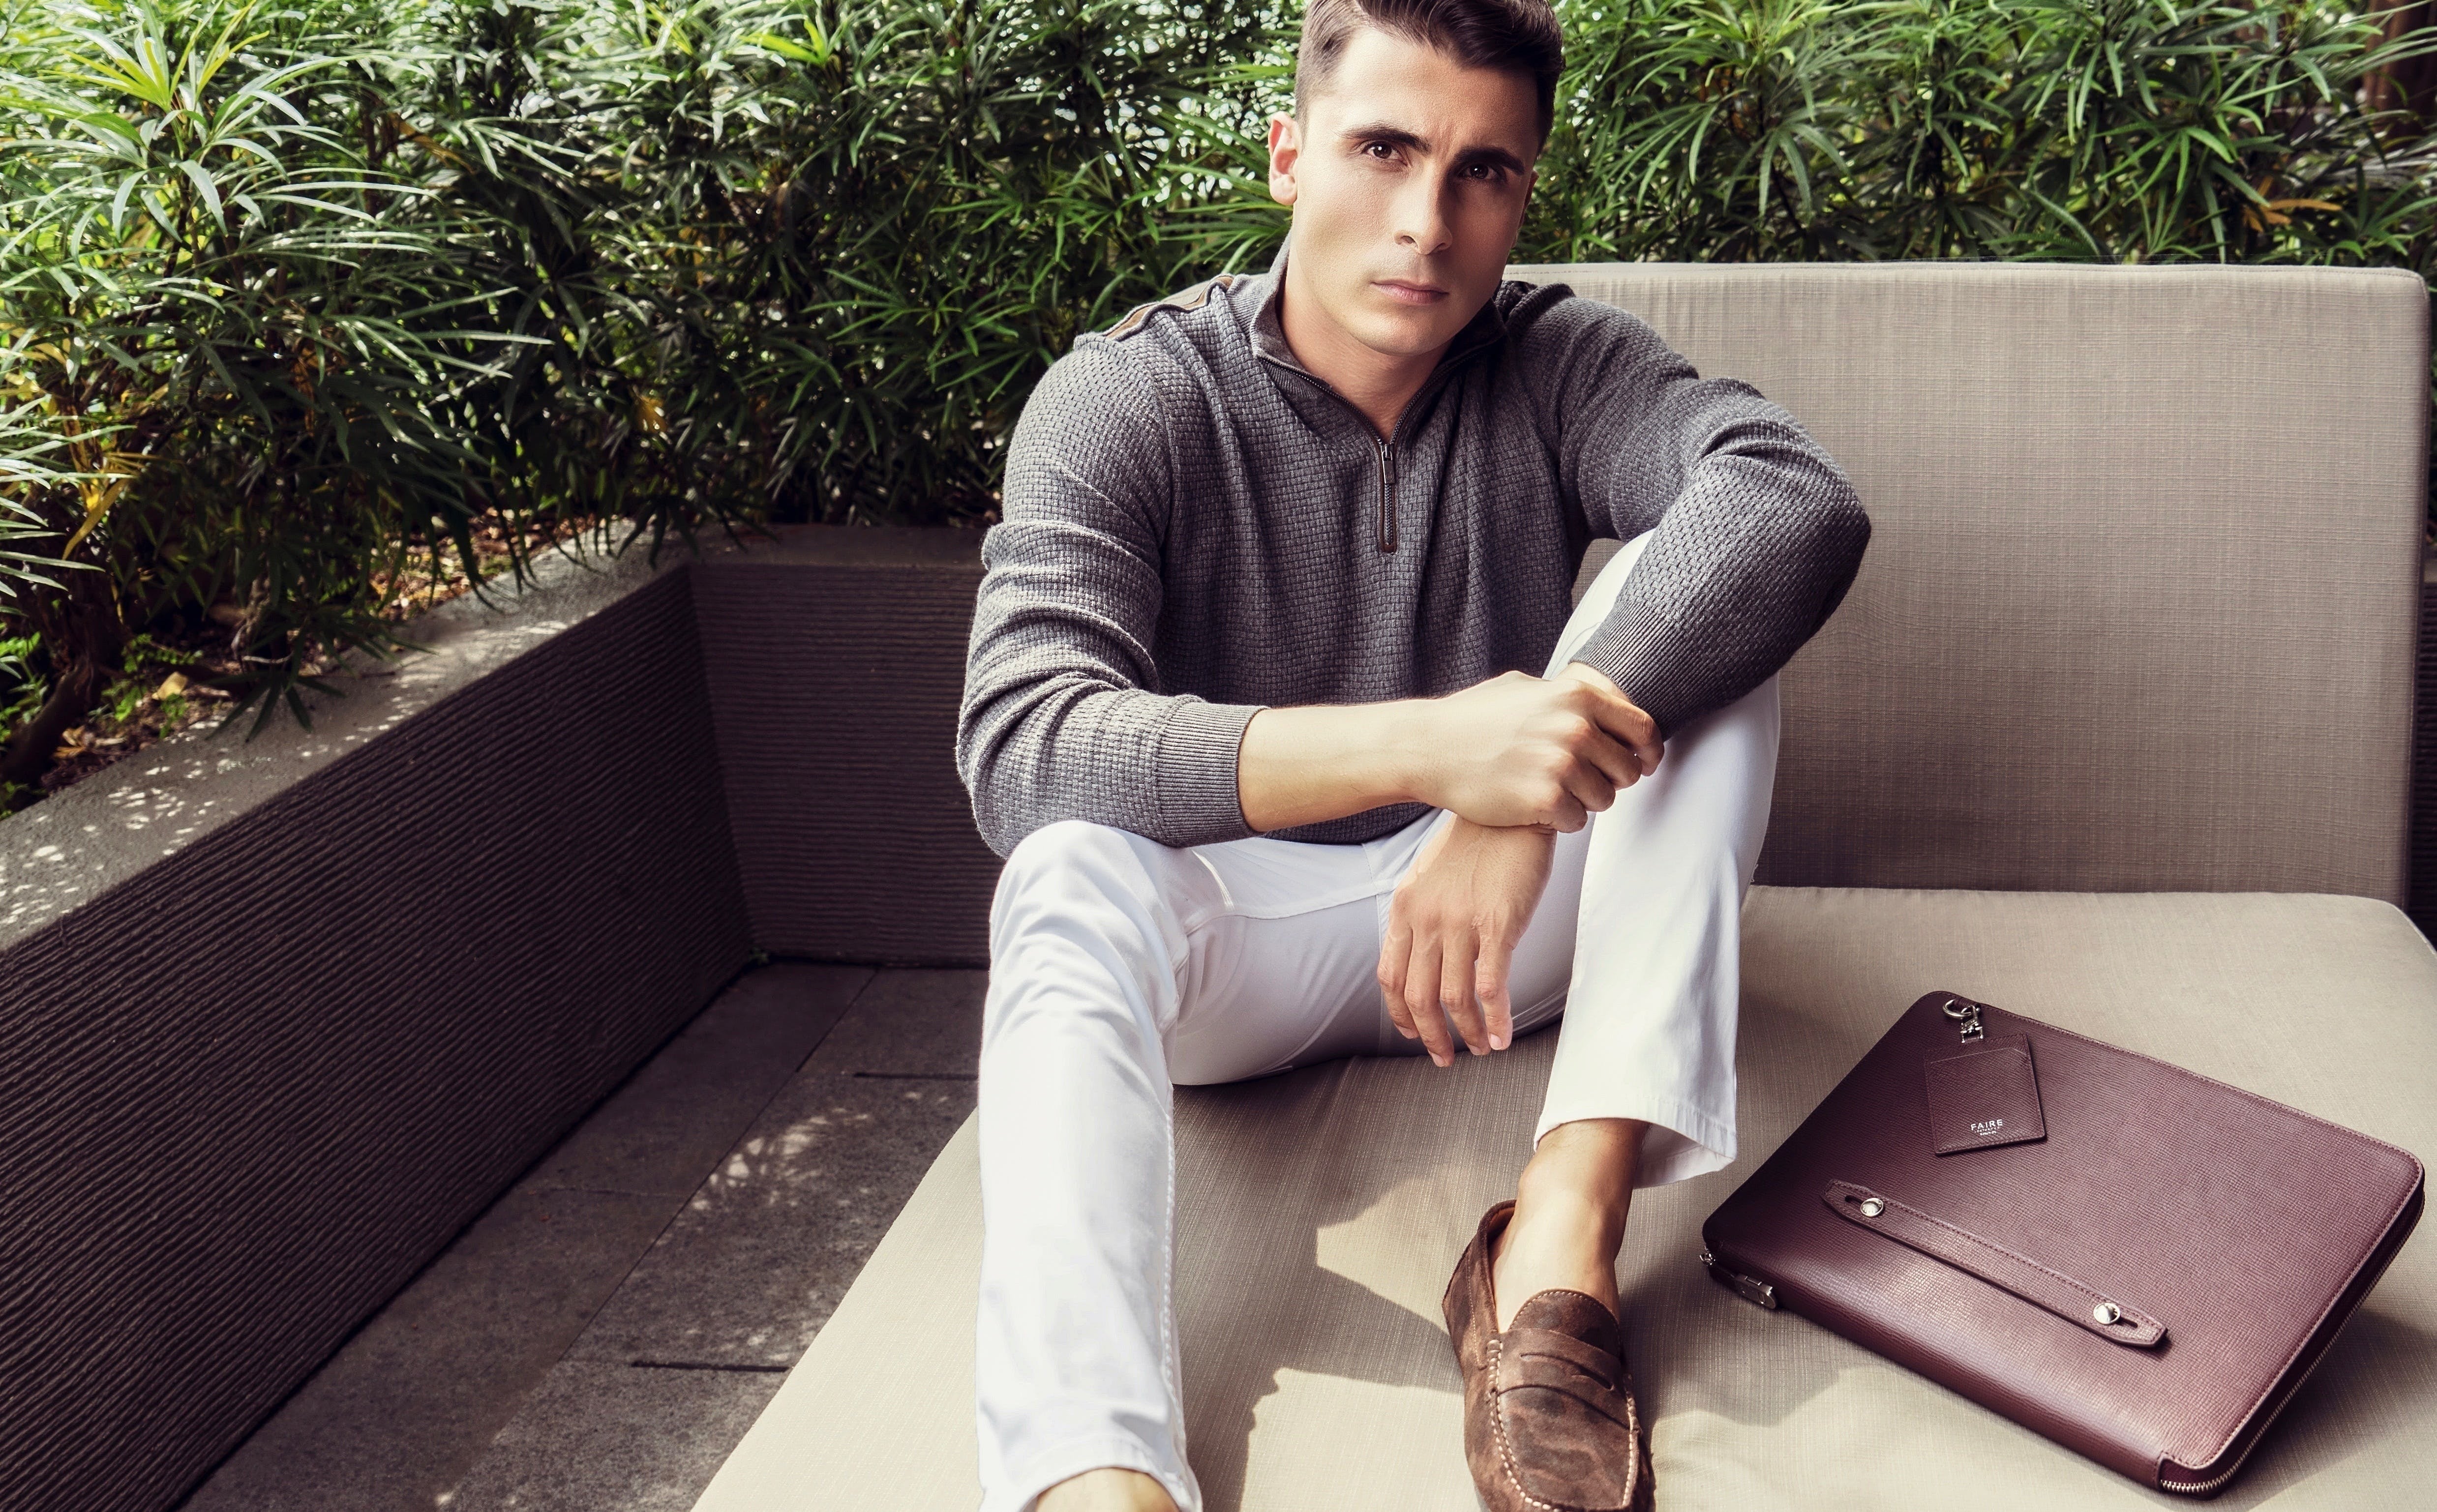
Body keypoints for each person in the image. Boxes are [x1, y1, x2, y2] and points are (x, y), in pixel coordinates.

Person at [954, 1, 1869, 1508]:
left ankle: (1556, 1237)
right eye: (1381, 149)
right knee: (1062, 871)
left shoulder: (1555, 361)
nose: (1425, 223)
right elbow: (1022, 746)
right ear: (1288, 153)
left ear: (1521, 193)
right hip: (1227, 946)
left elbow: (1793, 499)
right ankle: (1089, 1469)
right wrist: (1443, 752)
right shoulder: (1129, 396)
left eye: (1481, 173)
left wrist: (1510, 811)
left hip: (1509, 939)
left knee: (1705, 615)